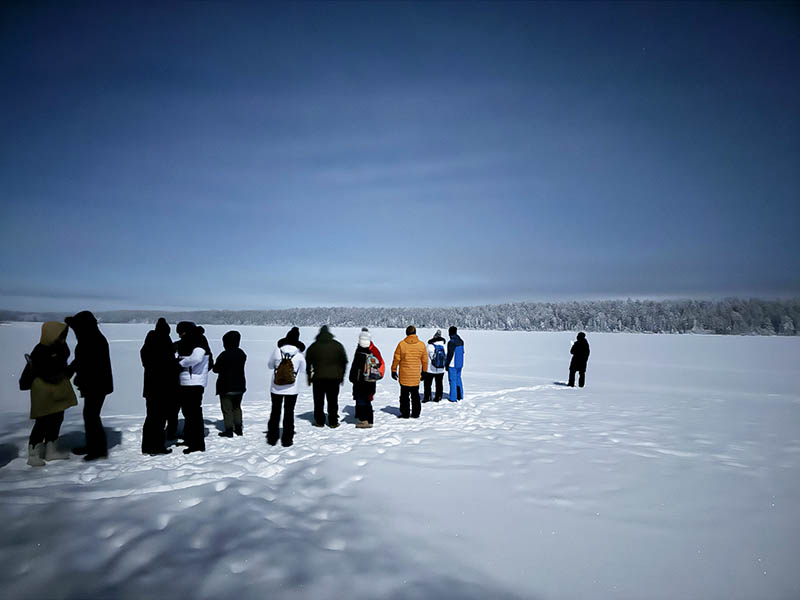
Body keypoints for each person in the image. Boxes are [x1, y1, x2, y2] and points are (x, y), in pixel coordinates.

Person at [19, 322, 78, 466]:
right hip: (43, 392)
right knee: (42, 422)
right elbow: (48, 373)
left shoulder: (61, 349)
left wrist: (71, 367)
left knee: (57, 419)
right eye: (61, 336)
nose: (63, 338)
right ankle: (33, 454)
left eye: (64, 336)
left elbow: (61, 371)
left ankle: (51, 450)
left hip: (59, 390)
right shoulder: (40, 351)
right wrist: (70, 368)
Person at [65, 311, 113, 460]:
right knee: (91, 416)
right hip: (95, 384)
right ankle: (94, 446)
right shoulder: (90, 337)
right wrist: (72, 372)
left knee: (91, 416)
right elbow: (80, 360)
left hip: (96, 384)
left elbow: (86, 363)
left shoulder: (93, 339)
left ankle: (98, 449)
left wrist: (73, 373)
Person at [140, 317, 178, 455]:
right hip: (163, 388)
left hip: (150, 387)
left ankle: (147, 446)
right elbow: (168, 366)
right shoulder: (164, 343)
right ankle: (157, 446)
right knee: (159, 419)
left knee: (151, 417)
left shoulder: (148, 345)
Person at [175, 322, 212, 454]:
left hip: (194, 383)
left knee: (193, 414)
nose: (179, 335)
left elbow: (197, 357)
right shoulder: (192, 340)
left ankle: (197, 444)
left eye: (180, 333)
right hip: (188, 382)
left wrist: (180, 364)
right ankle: (190, 439)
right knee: (188, 413)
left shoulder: (198, 340)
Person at [267, 327, 306, 447]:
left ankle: (272, 438)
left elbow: (269, 365)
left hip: (276, 387)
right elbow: (304, 370)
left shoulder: (277, 351)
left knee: (275, 411)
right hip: (292, 389)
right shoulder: (299, 355)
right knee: (289, 412)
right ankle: (287, 439)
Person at [305, 325, 348, 428]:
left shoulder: (314, 346)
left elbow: (308, 362)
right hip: (334, 378)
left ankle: (319, 421)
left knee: (318, 401)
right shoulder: (337, 345)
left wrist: (309, 376)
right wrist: (342, 375)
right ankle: (333, 421)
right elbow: (344, 361)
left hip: (318, 378)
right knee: (333, 400)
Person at [213, 330, 247, 437]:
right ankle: (238, 428)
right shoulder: (241, 353)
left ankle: (229, 430)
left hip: (225, 386)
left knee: (227, 409)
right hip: (240, 385)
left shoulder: (223, 355)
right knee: (237, 407)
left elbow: (215, 369)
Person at [348, 327, 384, 428]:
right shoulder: (373, 350)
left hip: (360, 381)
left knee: (362, 399)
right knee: (366, 399)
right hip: (370, 380)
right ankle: (366, 418)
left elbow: (355, 367)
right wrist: (379, 375)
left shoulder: (360, 351)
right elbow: (381, 363)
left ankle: (365, 420)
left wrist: (352, 378)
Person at [390, 325, 428, 418]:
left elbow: (396, 359)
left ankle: (405, 413)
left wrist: (393, 370)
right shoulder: (421, 345)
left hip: (404, 375)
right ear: (415, 333)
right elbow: (425, 360)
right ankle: (416, 413)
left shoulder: (401, 344)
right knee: (415, 395)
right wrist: (424, 371)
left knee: (404, 395)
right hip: (415, 375)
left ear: (406, 333)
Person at [422, 329, 447, 402]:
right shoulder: (444, 346)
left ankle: (427, 397)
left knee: (427, 384)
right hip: (441, 369)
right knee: (439, 383)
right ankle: (438, 397)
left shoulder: (429, 346)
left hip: (430, 369)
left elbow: (425, 357)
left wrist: (423, 369)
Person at [446, 326, 465, 402]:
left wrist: (446, 364)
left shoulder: (451, 342)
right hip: (460, 363)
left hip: (453, 364)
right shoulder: (461, 341)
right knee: (458, 379)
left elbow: (450, 355)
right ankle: (460, 395)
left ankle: (453, 397)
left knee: (452, 380)